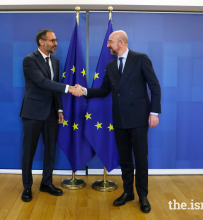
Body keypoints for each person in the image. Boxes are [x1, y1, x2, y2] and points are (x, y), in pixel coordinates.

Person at [74, 30, 161, 213]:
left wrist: (154, 112)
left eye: (110, 42)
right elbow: (104, 90)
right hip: (119, 120)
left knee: (140, 159)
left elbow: (154, 86)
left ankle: (143, 196)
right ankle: (128, 192)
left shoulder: (141, 59)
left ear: (120, 43)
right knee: (125, 160)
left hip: (138, 119)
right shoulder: (111, 66)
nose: (108, 45)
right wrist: (85, 91)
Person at [20, 29, 83, 202]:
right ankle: (27, 187)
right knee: (29, 152)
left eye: (55, 40)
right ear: (42, 42)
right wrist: (69, 88)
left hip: (51, 114)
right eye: (53, 40)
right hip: (32, 113)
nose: (56, 43)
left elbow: (54, 87)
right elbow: (42, 82)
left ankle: (46, 183)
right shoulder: (29, 60)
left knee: (50, 151)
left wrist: (60, 109)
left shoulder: (55, 61)